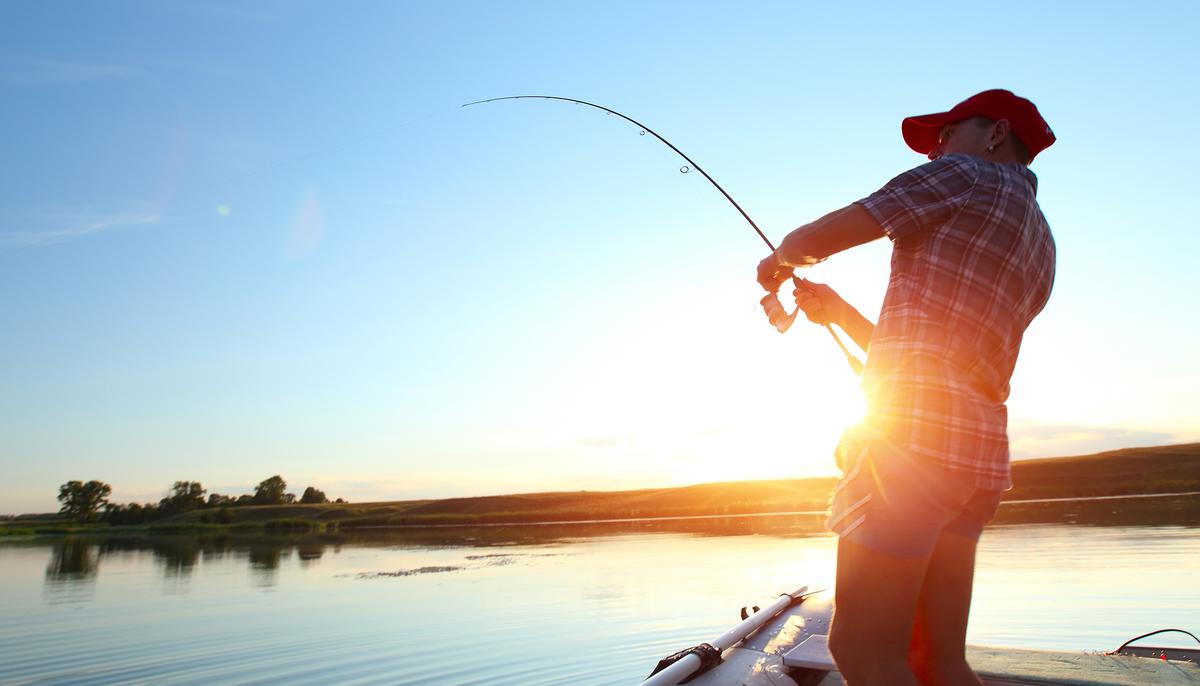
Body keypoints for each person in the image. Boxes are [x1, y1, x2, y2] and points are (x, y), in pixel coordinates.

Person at [756, 89, 1057, 686]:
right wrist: (839, 313)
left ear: (995, 134)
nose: (936, 152)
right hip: (976, 457)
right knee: (939, 661)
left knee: (864, 651)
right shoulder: (1042, 240)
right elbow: (936, 356)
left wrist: (782, 261)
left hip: (911, 450)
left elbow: (813, 240)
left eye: (945, 135)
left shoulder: (963, 175)